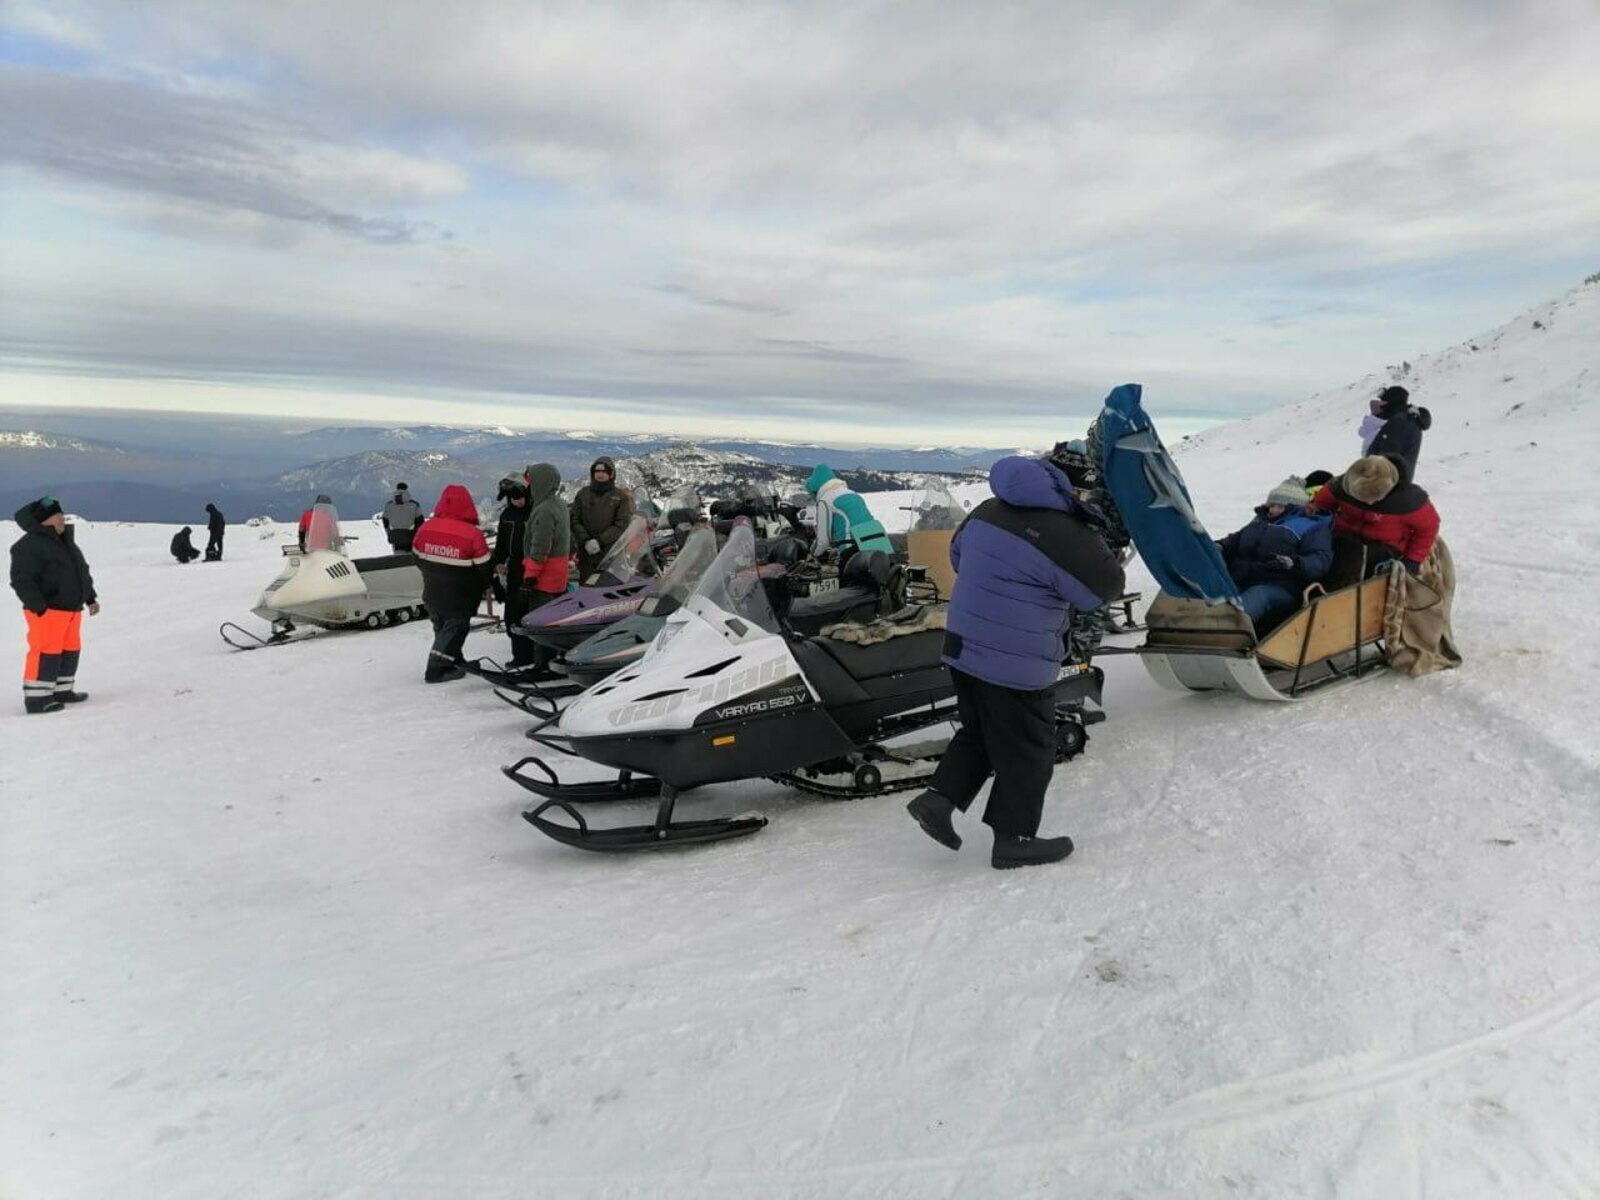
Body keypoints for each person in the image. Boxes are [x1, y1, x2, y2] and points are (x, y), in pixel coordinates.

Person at [904, 457, 1125, 869]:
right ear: (1066, 490)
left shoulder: (986, 510)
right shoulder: (1065, 532)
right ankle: (1015, 839)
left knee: (982, 732)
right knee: (1030, 748)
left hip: (963, 645)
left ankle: (937, 801)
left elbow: (956, 557)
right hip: (1014, 660)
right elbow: (1103, 590)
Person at [9, 496, 99, 713]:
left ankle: (62, 691)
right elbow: (21, 580)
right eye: (58, 516)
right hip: (48, 611)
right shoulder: (29, 545)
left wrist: (90, 598)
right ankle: (37, 699)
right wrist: (39, 607)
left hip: (71, 610)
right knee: (45, 652)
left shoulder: (65, 541)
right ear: (45, 521)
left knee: (69, 650)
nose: (63, 519)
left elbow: (80, 573)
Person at [1215, 477, 1334, 632]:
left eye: (1280, 506)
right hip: (1243, 578)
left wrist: (1294, 563)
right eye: (1272, 505)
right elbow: (1233, 541)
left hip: (1281, 586)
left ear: (1295, 507)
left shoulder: (1312, 528)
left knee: (1257, 596)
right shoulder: (1260, 522)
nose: (1273, 510)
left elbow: (1320, 560)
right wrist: (1217, 546)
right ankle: (1196, 629)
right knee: (1214, 592)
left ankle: (1226, 632)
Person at [1310, 454, 1441, 576]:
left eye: (1373, 499)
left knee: (1351, 557)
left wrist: (1413, 560)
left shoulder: (1408, 501)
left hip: (1384, 545)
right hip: (1343, 534)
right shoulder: (1339, 486)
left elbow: (1428, 528)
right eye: (1361, 498)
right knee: (1318, 548)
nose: (1368, 503)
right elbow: (1321, 506)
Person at [411, 485, 492, 683]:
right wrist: (482, 586)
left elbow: (416, 556)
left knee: (442, 629)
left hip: (432, 591)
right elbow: (484, 567)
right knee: (455, 629)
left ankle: (455, 662)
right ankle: (436, 669)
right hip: (459, 595)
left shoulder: (425, 528)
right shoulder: (471, 534)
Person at [515, 463, 573, 670]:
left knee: (540, 622)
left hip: (545, 576)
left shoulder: (544, 510)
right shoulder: (559, 504)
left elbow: (539, 547)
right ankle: (554, 659)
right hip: (559, 574)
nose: (529, 487)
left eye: (531, 482)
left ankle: (542, 665)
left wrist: (529, 577)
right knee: (555, 620)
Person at [803, 464, 895, 561]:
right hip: (879, 543)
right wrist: (838, 549)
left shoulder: (825, 500)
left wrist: (811, 554)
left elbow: (823, 541)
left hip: (855, 550)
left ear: (815, 489)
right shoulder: (852, 494)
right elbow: (858, 522)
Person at [570, 456, 634, 579]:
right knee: (586, 587)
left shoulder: (621, 497)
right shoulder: (583, 494)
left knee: (606, 588)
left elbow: (621, 524)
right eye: (597, 472)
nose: (600, 475)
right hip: (586, 553)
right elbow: (574, 520)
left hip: (610, 553)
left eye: (604, 472)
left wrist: (600, 541)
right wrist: (585, 540)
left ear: (611, 474)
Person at [1359, 385, 1432, 471]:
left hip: (1385, 480)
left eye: (1382, 403)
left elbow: (1385, 464)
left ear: (1391, 405)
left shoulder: (1398, 425)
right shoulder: (1393, 424)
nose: (1378, 409)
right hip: (1382, 479)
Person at [381, 482, 423, 552]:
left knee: (397, 558)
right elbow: (420, 522)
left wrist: (389, 533)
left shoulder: (389, 505)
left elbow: (385, 521)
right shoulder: (414, 505)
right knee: (409, 558)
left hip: (394, 536)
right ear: (406, 489)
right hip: (410, 536)